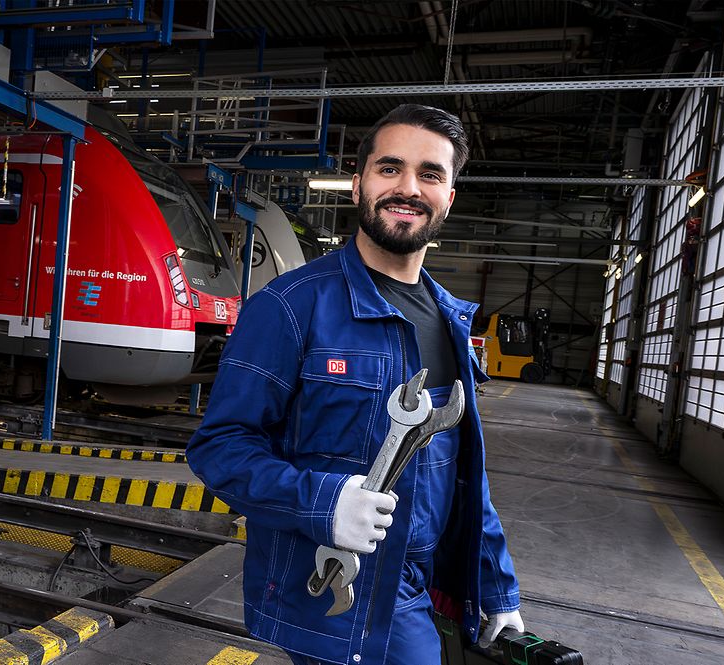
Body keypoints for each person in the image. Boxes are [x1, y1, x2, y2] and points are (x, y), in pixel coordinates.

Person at [187, 104, 522, 665]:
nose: (408, 188)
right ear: (357, 184)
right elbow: (219, 448)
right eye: (390, 168)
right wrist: (323, 501)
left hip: (421, 583)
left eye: (430, 174)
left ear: (449, 197)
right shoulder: (290, 307)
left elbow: (464, 475)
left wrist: (495, 586)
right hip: (337, 587)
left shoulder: (449, 322)